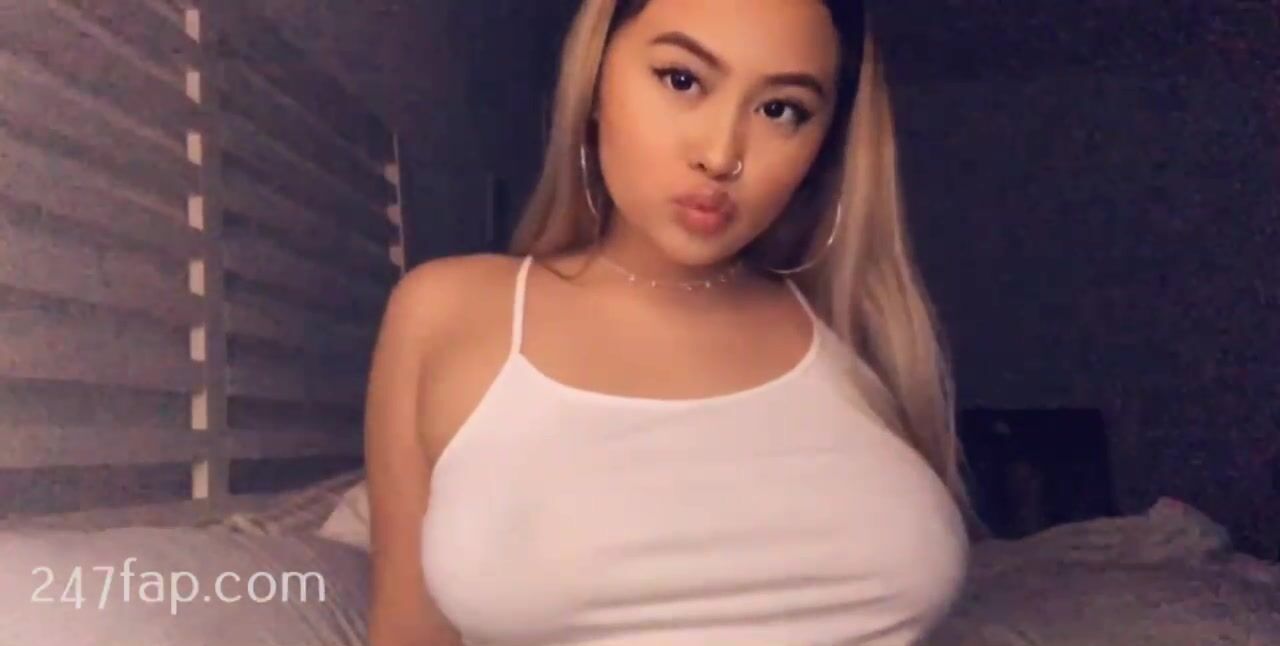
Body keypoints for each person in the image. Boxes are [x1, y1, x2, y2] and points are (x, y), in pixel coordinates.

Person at [365, 0, 974, 644]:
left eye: (781, 110)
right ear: (595, 80)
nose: (720, 154)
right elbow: (408, 632)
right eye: (682, 79)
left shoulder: (858, 328)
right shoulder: (450, 314)